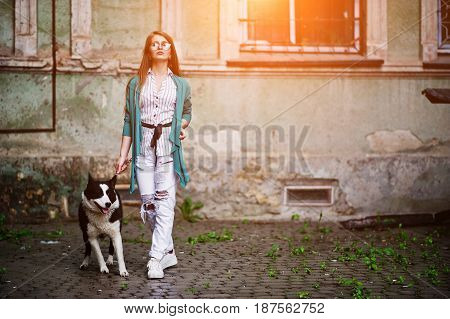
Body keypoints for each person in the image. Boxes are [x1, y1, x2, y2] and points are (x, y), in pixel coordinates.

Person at [115, 31, 192, 279]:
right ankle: (168, 249)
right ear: (149, 51)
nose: (159, 47)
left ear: (171, 50)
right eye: (154, 44)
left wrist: (181, 126)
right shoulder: (135, 83)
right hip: (143, 148)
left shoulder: (181, 84)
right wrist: (122, 155)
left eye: (164, 44)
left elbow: (187, 112)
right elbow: (128, 120)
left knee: (165, 204)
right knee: (149, 206)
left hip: (169, 149)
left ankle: (155, 258)